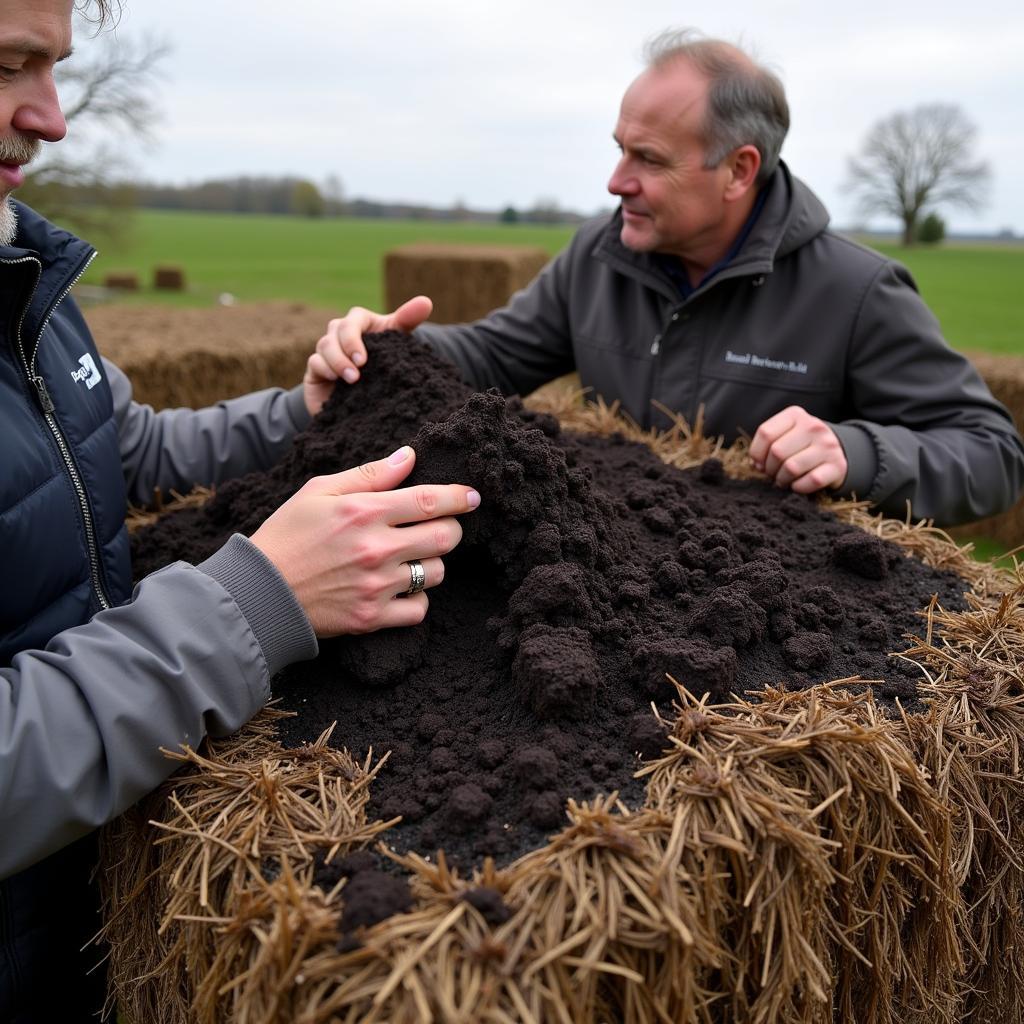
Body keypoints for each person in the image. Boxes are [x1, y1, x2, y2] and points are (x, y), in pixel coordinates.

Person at [0, 1, 479, 1018]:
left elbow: (118, 454)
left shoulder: (20, 278)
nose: (50, 117)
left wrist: (305, 414)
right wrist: (256, 600)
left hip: (64, 921)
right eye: (7, 65)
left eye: (53, 68)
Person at [320, 29, 1024, 528]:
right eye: (619, 148)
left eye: (649, 160)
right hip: (620, 575)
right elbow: (494, 356)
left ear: (740, 171)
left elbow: (992, 455)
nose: (615, 181)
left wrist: (859, 451)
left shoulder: (855, 293)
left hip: (772, 622)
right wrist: (387, 348)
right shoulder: (599, 255)